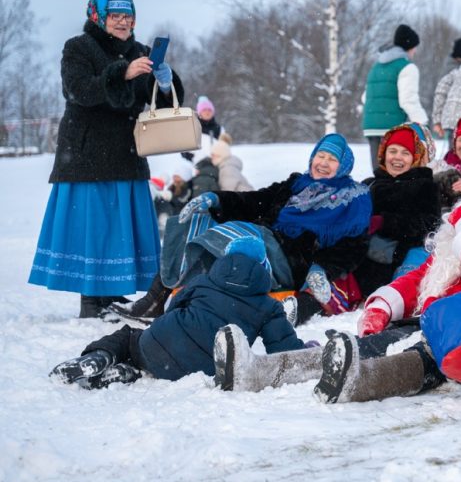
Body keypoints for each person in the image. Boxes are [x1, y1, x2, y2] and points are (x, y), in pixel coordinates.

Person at [212, 137, 461, 401]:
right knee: (361, 345)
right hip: (439, 316)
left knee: (411, 356)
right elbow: (433, 271)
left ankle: (360, 384)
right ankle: (258, 372)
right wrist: (386, 303)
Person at [28, 0, 185, 318]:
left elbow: (154, 99)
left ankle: (114, 297)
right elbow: (79, 90)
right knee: (93, 227)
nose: (122, 22)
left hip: (127, 154)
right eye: (115, 15)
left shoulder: (140, 50)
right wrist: (122, 72)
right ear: (98, 16)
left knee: (119, 228)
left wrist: (165, 83)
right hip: (86, 155)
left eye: (127, 16)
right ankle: (90, 301)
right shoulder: (78, 48)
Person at [109, 133, 372, 322]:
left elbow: (352, 248)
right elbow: (255, 200)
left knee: (233, 238)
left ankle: (194, 306)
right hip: (260, 237)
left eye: (331, 160)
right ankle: (156, 299)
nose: (323, 163)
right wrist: (214, 199)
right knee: (192, 222)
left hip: (288, 260)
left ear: (344, 166)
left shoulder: (353, 199)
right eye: (320, 156)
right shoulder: (296, 183)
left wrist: (321, 269)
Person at [50, 237, 304, 389]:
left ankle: (100, 356)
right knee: (160, 360)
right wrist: (305, 347)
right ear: (264, 268)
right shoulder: (268, 306)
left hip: (159, 341)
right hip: (206, 367)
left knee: (129, 337)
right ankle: (132, 373)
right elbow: (285, 351)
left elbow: (174, 307)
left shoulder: (204, 280)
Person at [345, 123, 441, 319]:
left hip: (404, 253)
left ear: (416, 158)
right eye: (393, 151)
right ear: (383, 153)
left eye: (405, 153)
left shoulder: (425, 187)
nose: (397, 157)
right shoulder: (370, 185)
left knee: (412, 270)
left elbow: (428, 224)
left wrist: (386, 222)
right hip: (370, 257)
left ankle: (399, 304)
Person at [362, 24, 430, 170]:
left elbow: (365, 97)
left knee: (379, 173)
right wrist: (422, 123)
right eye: (415, 48)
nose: (415, 52)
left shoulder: (376, 66)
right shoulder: (407, 67)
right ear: (410, 47)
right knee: (394, 174)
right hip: (391, 127)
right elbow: (408, 100)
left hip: (371, 126)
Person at [154, 161, 196, 234]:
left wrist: (171, 197)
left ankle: (164, 219)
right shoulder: (172, 187)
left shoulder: (188, 189)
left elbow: (183, 202)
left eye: (178, 177)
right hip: (171, 215)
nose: (175, 180)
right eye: (174, 177)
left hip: (179, 217)